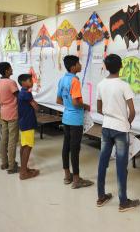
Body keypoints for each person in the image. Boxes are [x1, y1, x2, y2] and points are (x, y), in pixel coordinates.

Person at [96, 54, 140, 211]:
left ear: (106, 67)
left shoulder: (100, 84)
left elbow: (99, 109)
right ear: (121, 66)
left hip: (106, 127)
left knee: (103, 162)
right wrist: (126, 122)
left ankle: (101, 196)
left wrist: (110, 116)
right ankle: (123, 202)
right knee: (121, 166)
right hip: (121, 128)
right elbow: (133, 111)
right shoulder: (124, 85)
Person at [56, 55, 93, 189]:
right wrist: (86, 106)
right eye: (78, 63)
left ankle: (67, 176)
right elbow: (77, 102)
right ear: (73, 67)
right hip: (76, 120)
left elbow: (58, 100)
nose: (80, 65)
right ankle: (77, 180)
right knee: (75, 149)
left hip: (66, 118)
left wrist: (69, 106)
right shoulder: (75, 81)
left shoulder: (62, 80)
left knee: (66, 147)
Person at [0, 62, 19, 173]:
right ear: (6, 71)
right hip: (13, 113)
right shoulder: (11, 82)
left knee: (4, 138)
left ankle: (4, 163)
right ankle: (11, 165)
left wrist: (4, 100)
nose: (12, 69)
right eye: (10, 68)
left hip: (3, 112)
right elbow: (19, 97)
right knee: (12, 140)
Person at [17, 74, 39, 180]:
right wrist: (36, 105)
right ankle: (23, 173)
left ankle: (24, 168)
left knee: (23, 145)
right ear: (23, 82)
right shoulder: (27, 94)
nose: (32, 82)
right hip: (28, 122)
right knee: (28, 147)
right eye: (30, 80)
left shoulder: (21, 92)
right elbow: (36, 106)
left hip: (23, 122)